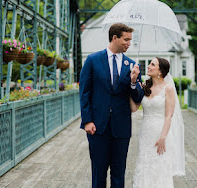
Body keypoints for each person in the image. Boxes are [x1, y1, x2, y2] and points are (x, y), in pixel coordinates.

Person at [79, 23, 144, 188]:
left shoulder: (132, 65)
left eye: (130, 40)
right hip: (97, 126)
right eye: (126, 39)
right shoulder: (93, 60)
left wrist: (134, 81)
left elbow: (138, 97)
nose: (129, 43)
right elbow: (84, 92)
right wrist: (87, 121)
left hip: (121, 127)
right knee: (98, 173)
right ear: (114, 38)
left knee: (119, 174)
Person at [130, 57, 185, 188]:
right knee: (144, 166)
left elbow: (169, 115)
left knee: (160, 169)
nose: (148, 66)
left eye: (152, 64)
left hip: (161, 133)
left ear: (160, 71)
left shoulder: (168, 89)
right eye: (149, 64)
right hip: (145, 133)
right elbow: (134, 108)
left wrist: (163, 137)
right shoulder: (144, 86)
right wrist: (130, 87)